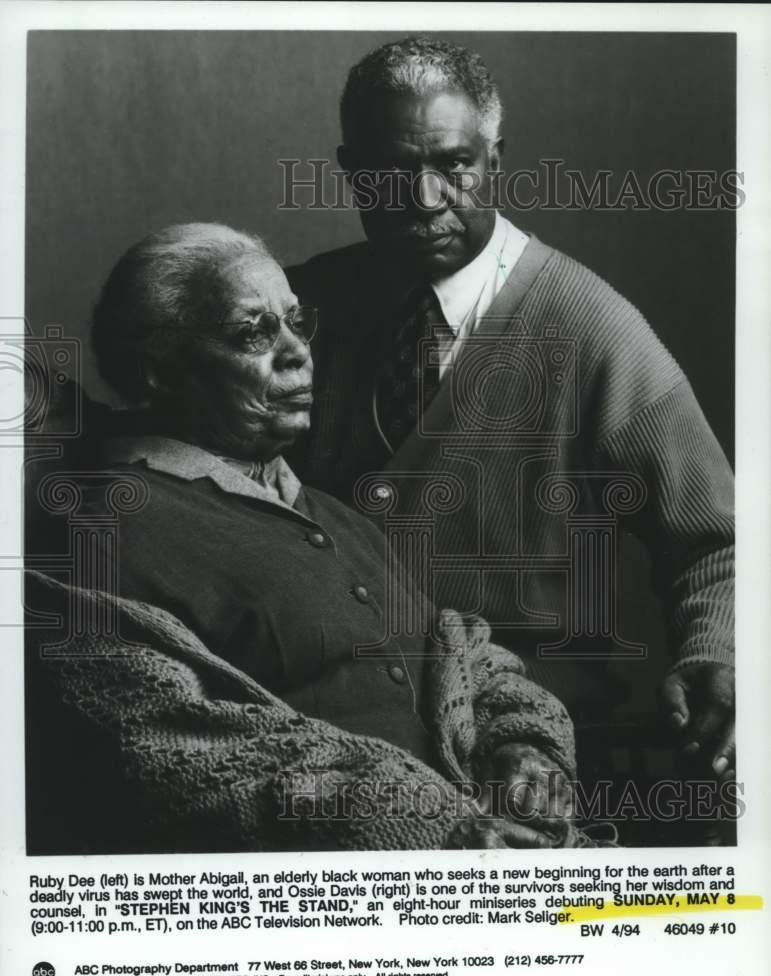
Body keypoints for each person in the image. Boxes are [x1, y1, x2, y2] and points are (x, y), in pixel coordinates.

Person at [24, 222, 588, 854]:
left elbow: (458, 659)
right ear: (159, 371)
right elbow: (166, 752)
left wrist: (523, 746)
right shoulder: (109, 525)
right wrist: (439, 832)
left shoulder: (336, 516)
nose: (298, 352)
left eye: (296, 323)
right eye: (253, 333)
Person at [286, 36, 735, 781]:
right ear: (349, 173)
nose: (426, 199)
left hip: (538, 744)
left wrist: (716, 652)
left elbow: (719, 542)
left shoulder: (591, 327)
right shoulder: (299, 308)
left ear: (495, 160)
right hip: (340, 741)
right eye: (393, 171)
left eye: (453, 165)